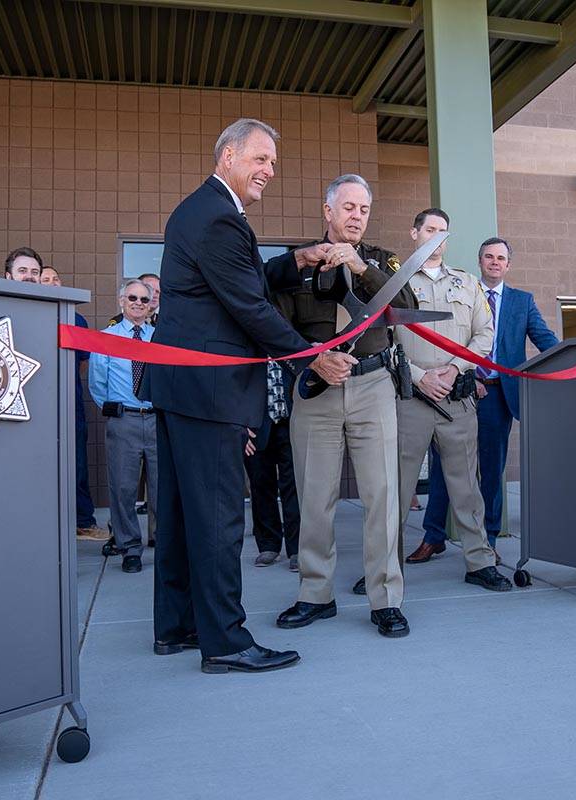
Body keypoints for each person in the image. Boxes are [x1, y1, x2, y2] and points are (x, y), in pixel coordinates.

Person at [140, 118, 353, 673]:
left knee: (184, 513)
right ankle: (227, 642)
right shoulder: (220, 218)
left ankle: (177, 627)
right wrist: (313, 355)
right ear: (228, 155)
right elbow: (250, 306)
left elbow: (243, 279)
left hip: (181, 386)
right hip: (210, 391)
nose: (269, 171)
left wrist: (296, 260)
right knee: (216, 519)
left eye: (273, 164)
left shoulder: (203, 210)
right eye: (260, 159)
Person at [273, 174, 415, 639]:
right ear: (328, 210)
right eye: (348, 207)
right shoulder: (299, 262)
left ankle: (386, 599)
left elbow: (408, 306)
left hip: (373, 383)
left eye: (363, 210)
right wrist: (311, 364)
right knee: (315, 497)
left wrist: (360, 268)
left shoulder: (380, 260)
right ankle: (315, 594)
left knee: (382, 496)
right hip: (316, 386)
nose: (356, 216)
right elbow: (273, 327)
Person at [410, 237, 559, 564]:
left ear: (508, 265)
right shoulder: (462, 291)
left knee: (491, 471)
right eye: (489, 257)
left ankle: (488, 538)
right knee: (443, 468)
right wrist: (468, 376)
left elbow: (545, 340)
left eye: (501, 258)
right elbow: (449, 338)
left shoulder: (522, 301)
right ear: (480, 262)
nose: (495, 262)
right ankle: (434, 536)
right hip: (458, 390)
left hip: (497, 396)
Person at [393, 209, 513, 592]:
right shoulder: (393, 283)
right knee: (395, 488)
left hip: (457, 401)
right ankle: (384, 566)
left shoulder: (467, 283)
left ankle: (479, 562)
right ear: (415, 233)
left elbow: (484, 334)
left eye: (443, 231)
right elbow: (382, 342)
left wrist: (453, 370)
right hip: (410, 398)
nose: (436, 237)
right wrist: (419, 376)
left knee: (466, 488)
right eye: (429, 229)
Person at [88, 279, 159, 572]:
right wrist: (117, 410)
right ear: (121, 300)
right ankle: (130, 547)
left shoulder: (159, 338)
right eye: (133, 298)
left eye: (145, 299)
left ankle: (164, 545)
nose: (138, 303)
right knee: (123, 488)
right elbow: (96, 385)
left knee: (161, 489)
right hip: (124, 420)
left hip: (157, 421)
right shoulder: (105, 338)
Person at [41, 266, 108, 541]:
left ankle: (83, 521)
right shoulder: (22, 314)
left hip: (70, 403)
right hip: (35, 405)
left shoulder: (75, 319)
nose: (52, 283)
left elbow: (83, 362)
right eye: (46, 279)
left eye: (56, 278)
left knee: (77, 463)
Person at [243, 357, 299, 571]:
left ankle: (296, 549)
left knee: (293, 486)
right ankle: (268, 545)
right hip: (256, 425)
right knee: (260, 485)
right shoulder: (249, 345)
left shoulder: (286, 340)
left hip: (290, 421)